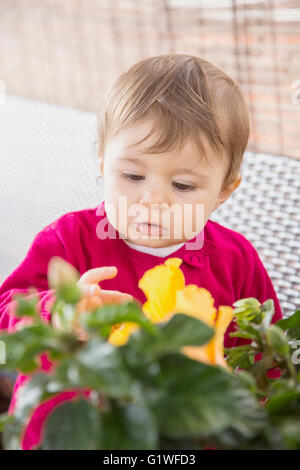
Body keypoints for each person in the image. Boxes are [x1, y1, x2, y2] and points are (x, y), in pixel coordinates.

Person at [0, 54, 283, 450]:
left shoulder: (235, 259)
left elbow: (264, 357)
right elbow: (6, 314)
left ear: (223, 191)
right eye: (132, 176)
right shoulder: (70, 240)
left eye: (182, 185)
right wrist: (60, 309)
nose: (152, 200)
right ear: (103, 163)